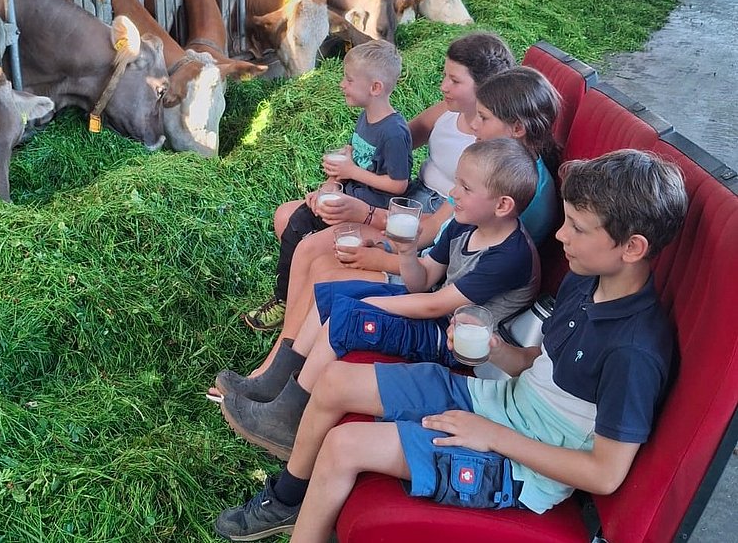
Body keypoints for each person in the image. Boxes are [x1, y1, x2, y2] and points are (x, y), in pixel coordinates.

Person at [213, 149, 689, 543]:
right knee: (334, 381)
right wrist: (494, 352)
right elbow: (531, 363)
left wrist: (491, 435)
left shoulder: (635, 349)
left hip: (525, 467)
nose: (560, 235)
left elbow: (605, 475)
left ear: (632, 248)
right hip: (499, 401)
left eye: (578, 229)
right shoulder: (584, 284)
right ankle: (289, 498)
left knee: (344, 445)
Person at [220, 138, 541, 458]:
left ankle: (287, 421)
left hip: (454, 342)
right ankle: (275, 385)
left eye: (466, 188)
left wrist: (370, 305)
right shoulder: (463, 223)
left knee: (348, 315)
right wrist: (407, 253)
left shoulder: (509, 255)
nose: (453, 193)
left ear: (502, 205)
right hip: (433, 310)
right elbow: (424, 279)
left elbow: (434, 304)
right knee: (330, 294)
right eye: (456, 182)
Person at [240, 30, 515, 343]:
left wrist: (364, 211)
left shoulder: (490, 148)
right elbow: (389, 143)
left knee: (312, 245)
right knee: (286, 217)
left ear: (486, 86)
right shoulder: (446, 112)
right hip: (406, 198)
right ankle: (296, 305)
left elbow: (436, 225)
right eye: (444, 76)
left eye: (454, 80)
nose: (443, 86)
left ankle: (294, 331)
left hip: (425, 216)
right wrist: (337, 181)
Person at [243, 39, 413, 332]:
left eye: (349, 80)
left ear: (375, 88)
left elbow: (398, 185)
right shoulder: (366, 117)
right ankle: (292, 295)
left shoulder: (394, 131)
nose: (341, 85)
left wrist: (350, 171)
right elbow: (359, 156)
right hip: (349, 196)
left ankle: (286, 300)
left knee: (300, 227)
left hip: (369, 210)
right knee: (299, 220)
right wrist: (331, 183)